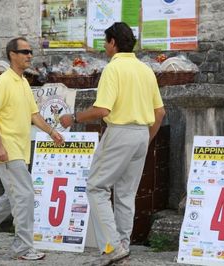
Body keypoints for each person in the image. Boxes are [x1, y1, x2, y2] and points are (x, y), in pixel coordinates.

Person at [60, 22, 165, 266]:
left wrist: (73, 117)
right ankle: (122, 250)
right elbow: (160, 113)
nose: (105, 47)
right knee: (126, 195)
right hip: (141, 134)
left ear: (113, 43)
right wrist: (145, 138)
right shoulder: (146, 70)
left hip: (120, 132)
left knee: (96, 188)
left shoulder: (113, 69)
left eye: (106, 42)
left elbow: (102, 109)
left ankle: (112, 247)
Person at [0, 37, 64, 260]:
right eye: (25, 51)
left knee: (13, 196)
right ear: (12, 54)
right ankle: (22, 248)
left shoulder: (23, 82)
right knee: (25, 196)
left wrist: (52, 132)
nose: (29, 55)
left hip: (21, 149)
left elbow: (34, 115)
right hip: (9, 149)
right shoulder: (3, 82)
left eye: (30, 51)